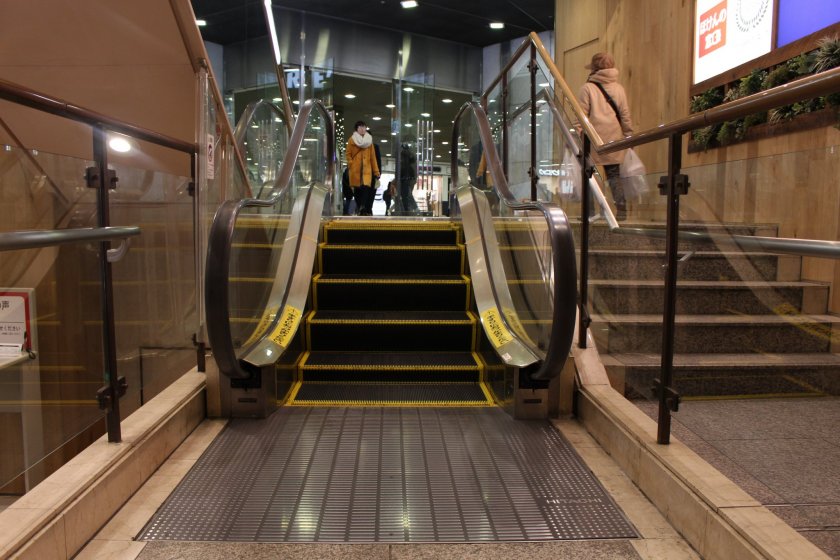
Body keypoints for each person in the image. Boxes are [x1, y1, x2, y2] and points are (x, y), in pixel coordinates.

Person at [577, 52, 634, 220]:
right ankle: (621, 210)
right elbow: (625, 115)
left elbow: (580, 116)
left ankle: (589, 212)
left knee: (588, 175)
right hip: (613, 139)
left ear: (594, 69)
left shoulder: (587, 88)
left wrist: (577, 134)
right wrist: (629, 135)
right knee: (614, 174)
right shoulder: (619, 89)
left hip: (592, 139)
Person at [346, 120, 380, 216]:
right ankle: (360, 207)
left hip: (366, 170)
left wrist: (376, 172)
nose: (362, 129)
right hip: (355, 170)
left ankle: (362, 207)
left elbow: (373, 158)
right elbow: (348, 154)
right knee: (357, 190)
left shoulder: (369, 141)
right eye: (360, 127)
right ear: (356, 129)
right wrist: (351, 163)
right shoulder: (351, 140)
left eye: (364, 127)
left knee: (366, 188)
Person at [398, 143, 419, 215]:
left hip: (406, 178)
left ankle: (410, 209)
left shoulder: (406, 157)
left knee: (406, 195)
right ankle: (409, 209)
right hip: (407, 178)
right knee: (407, 195)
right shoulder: (408, 158)